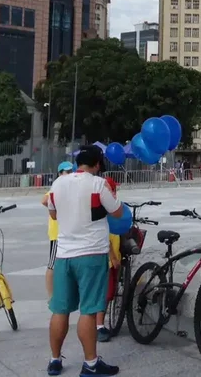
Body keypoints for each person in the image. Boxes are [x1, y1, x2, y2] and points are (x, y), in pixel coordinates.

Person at [46, 145, 123, 376]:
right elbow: (117, 212)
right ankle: (90, 364)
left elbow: (52, 213)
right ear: (98, 164)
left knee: (60, 310)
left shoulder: (58, 183)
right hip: (91, 255)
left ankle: (54, 360)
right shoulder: (98, 184)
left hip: (64, 255)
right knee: (88, 311)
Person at [94, 177, 122, 344]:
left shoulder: (110, 206)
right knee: (105, 294)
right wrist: (112, 256)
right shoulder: (105, 208)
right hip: (107, 259)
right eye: (113, 189)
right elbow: (106, 236)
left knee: (105, 293)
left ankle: (97, 324)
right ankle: (99, 326)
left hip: (110, 258)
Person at [42, 162, 74, 301]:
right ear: (60, 173)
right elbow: (44, 200)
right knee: (53, 264)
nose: (69, 173)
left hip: (67, 231)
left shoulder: (68, 187)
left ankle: (63, 292)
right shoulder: (57, 186)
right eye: (66, 171)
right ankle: (51, 296)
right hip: (57, 233)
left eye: (71, 171)